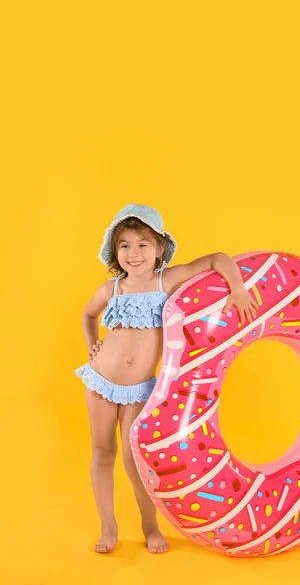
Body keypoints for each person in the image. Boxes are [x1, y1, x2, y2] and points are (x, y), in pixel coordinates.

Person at [74, 203, 259, 554]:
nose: (134, 253)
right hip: (100, 382)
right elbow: (87, 315)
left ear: (160, 248)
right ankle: (109, 526)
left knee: (134, 460)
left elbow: (218, 258)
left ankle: (149, 525)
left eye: (143, 244)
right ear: (115, 251)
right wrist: (92, 345)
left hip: (139, 388)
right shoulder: (111, 289)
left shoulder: (168, 279)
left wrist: (237, 287)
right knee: (102, 452)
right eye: (124, 245)